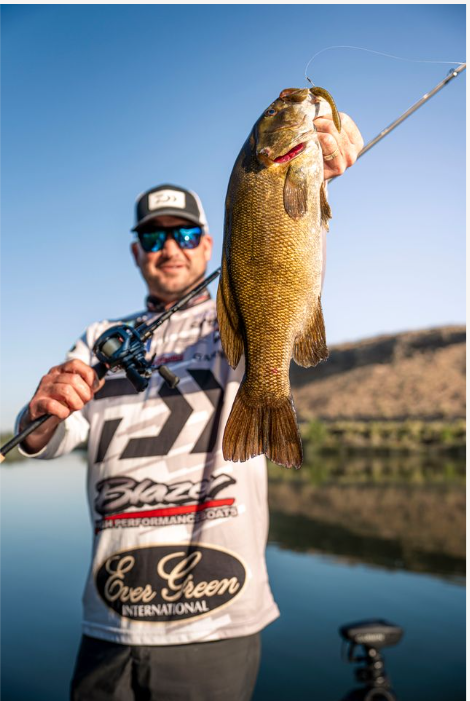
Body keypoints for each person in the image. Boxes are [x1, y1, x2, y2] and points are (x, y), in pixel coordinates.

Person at [16, 109, 363, 701]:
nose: (169, 248)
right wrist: (37, 417)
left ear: (208, 242)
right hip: (109, 621)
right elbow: (52, 438)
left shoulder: (234, 314)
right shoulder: (100, 337)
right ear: (137, 253)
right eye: (154, 237)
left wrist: (312, 183)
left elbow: (288, 259)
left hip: (217, 627)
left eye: (183, 234)